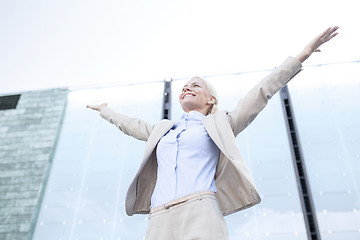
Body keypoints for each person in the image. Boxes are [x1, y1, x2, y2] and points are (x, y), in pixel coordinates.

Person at [87, 26, 339, 240]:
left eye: (195, 85)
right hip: (159, 217)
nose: (187, 88)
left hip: (201, 211)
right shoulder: (162, 130)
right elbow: (129, 124)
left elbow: (262, 92)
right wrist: (105, 110)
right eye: (184, 86)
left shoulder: (221, 123)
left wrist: (302, 55)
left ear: (211, 99)